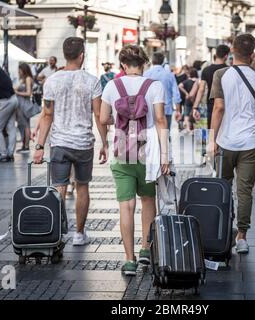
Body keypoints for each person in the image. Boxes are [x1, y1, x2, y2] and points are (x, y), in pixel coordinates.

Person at [100, 45, 169, 276]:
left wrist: (120, 117)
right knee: (148, 200)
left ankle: (129, 261)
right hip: (148, 151)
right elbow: (160, 120)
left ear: (122, 65)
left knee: (126, 205)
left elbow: (102, 118)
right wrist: (165, 154)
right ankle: (145, 250)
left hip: (122, 150)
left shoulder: (112, 86)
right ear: (144, 64)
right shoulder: (154, 86)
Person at [33, 37, 108, 246]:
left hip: (59, 143)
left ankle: (57, 233)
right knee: (82, 187)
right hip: (83, 143)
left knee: (59, 188)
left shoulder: (52, 81)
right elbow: (98, 114)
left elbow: (47, 115)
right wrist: (105, 143)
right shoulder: (92, 80)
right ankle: (79, 234)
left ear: (65, 55)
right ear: (82, 55)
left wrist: (39, 146)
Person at [209, 34, 255, 254]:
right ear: (253, 53)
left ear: (232, 51)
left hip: (225, 141)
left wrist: (212, 139)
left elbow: (218, 108)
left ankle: (223, 232)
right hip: (251, 141)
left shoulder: (221, 74)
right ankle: (242, 237)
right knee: (245, 191)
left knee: (223, 188)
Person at [192, 44, 230, 129]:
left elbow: (201, 90)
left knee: (212, 131)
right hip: (226, 104)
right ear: (226, 56)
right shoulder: (229, 70)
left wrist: (195, 107)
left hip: (211, 104)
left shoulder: (206, 70)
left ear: (216, 55)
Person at [144, 52, 181, 131]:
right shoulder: (169, 75)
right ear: (163, 61)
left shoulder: (145, 74)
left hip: (149, 110)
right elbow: (176, 94)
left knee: (151, 136)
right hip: (166, 109)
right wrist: (178, 110)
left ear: (152, 61)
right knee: (165, 134)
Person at [15, 63, 34, 152]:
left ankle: (26, 146)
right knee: (22, 125)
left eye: (20, 70)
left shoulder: (28, 79)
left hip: (24, 104)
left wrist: (17, 92)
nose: (19, 71)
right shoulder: (23, 79)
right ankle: (24, 145)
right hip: (20, 104)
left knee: (26, 125)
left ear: (24, 70)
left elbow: (28, 93)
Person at [179, 67, 199, 133]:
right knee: (194, 114)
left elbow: (180, 86)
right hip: (196, 100)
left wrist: (186, 93)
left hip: (188, 100)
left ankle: (188, 128)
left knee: (186, 114)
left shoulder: (187, 81)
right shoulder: (198, 81)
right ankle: (193, 128)